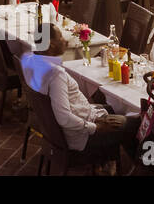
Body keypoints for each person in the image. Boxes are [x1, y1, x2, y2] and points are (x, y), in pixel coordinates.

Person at [21, 25, 140, 162]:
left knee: (116, 108)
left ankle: (111, 161)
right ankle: (144, 166)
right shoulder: (55, 75)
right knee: (135, 123)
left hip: (67, 127)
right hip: (80, 137)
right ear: (51, 45)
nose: (65, 40)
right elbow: (64, 118)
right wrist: (95, 127)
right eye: (60, 37)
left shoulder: (30, 61)